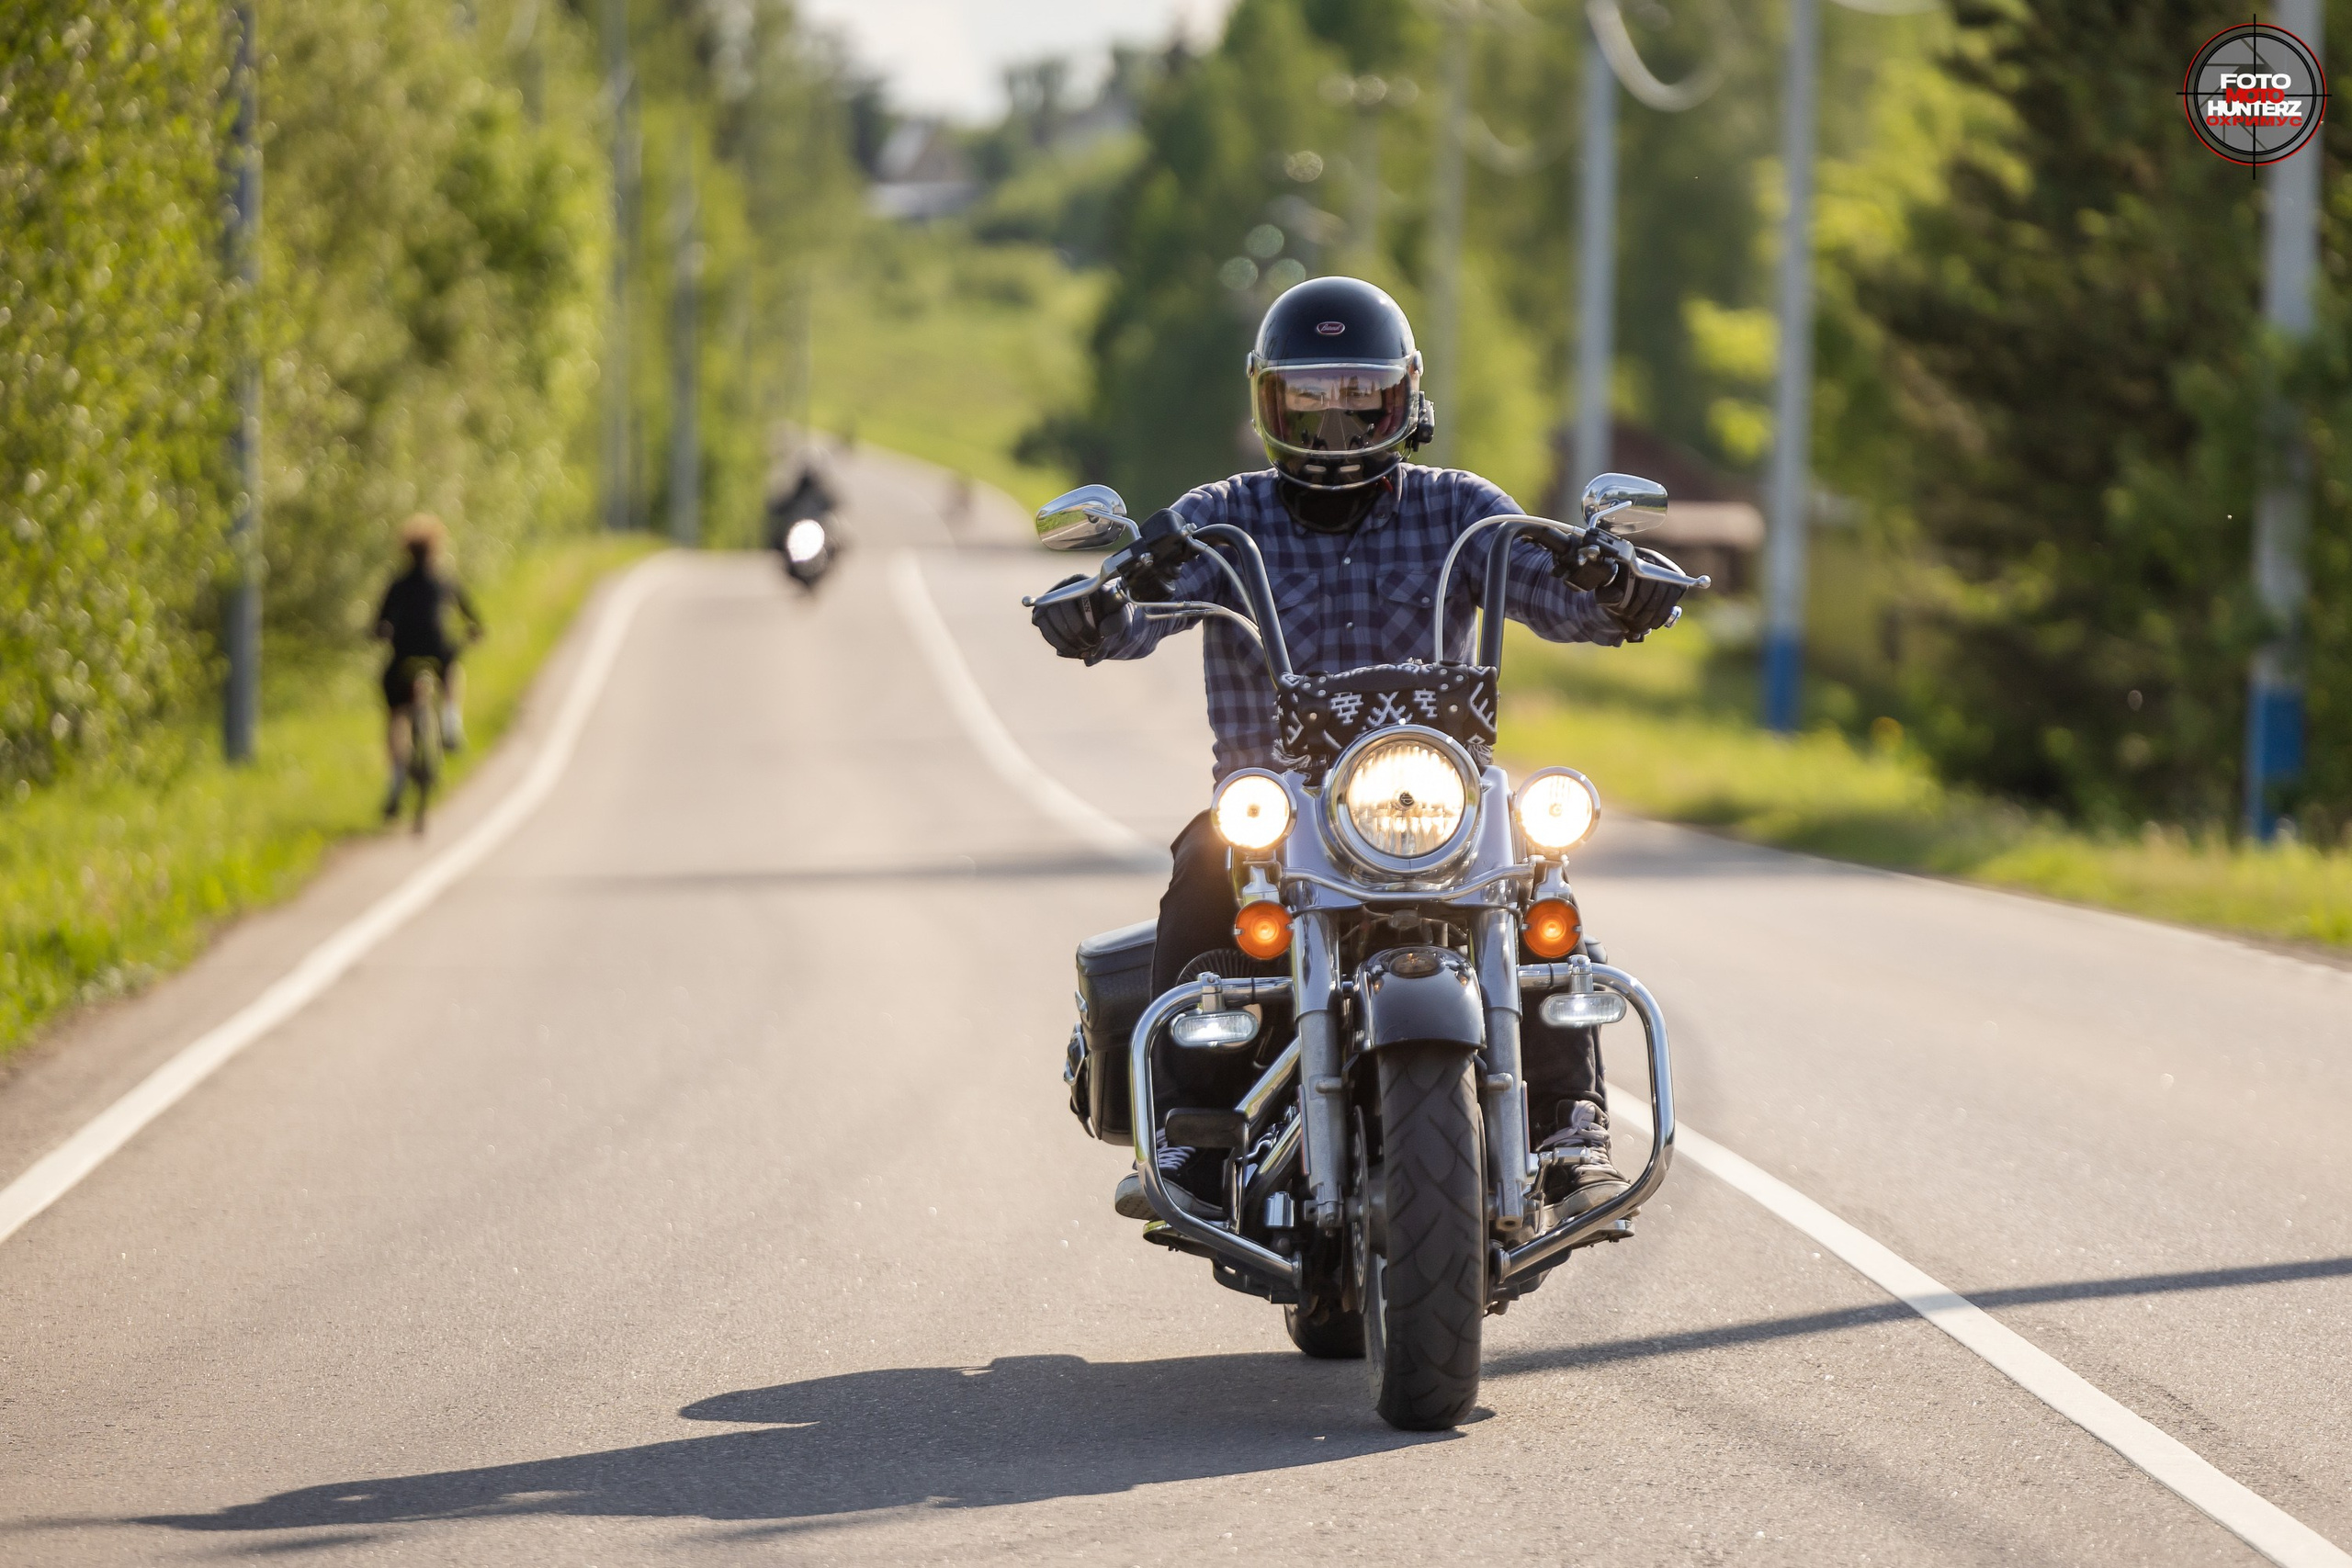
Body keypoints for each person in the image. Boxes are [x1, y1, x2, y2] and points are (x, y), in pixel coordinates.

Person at [1028, 276, 1688, 1224]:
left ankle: (1568, 1126)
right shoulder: (1226, 517)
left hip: (1436, 805)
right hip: (1280, 808)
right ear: (1268, 401)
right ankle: (1189, 1130)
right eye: (1308, 396)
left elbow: (1560, 594)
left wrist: (1619, 589)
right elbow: (1134, 613)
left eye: (1356, 395)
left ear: (1402, 397)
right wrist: (1095, 608)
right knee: (1199, 872)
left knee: (1540, 888)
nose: (1333, 422)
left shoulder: (1461, 508)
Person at [375, 513, 483, 819]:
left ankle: (396, 778)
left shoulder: (397, 584)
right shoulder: (443, 579)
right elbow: (470, 615)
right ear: (435, 549)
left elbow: (379, 622)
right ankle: (451, 720)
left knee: (395, 712)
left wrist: (381, 632)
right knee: (452, 668)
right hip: (438, 651)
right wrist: (475, 630)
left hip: (403, 655)